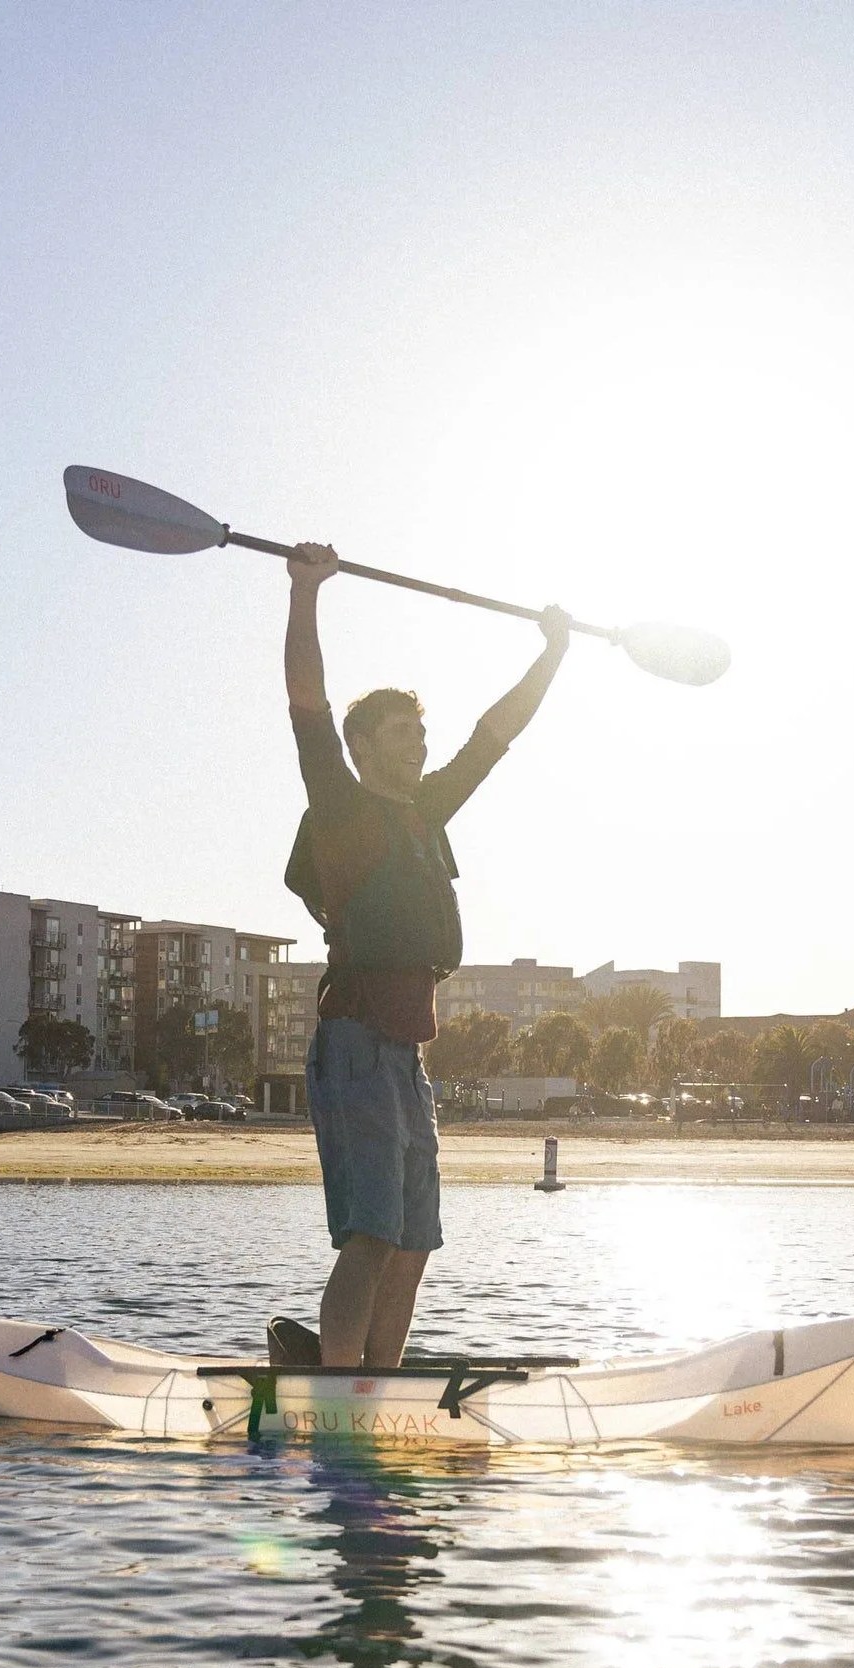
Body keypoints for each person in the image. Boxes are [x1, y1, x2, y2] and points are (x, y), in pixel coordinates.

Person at [274, 540, 569, 1370]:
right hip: (356, 1046)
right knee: (371, 1236)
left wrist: (552, 652)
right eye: (403, 732)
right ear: (364, 745)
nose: (420, 744)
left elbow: (493, 733)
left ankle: (380, 1387)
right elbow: (306, 701)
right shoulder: (341, 804)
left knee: (414, 1243)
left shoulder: (428, 811)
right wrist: (305, 593)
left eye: (421, 731)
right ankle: (343, 1400)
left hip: (407, 1059)